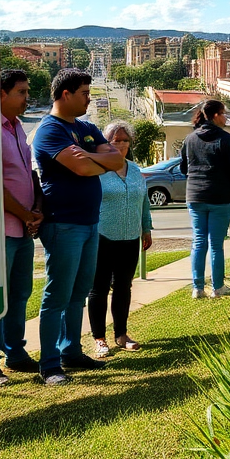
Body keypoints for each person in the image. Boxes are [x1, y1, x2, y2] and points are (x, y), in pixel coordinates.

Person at [32, 68, 125, 386]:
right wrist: (95, 158)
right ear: (65, 94)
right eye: (84, 93)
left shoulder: (86, 128)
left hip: (89, 222)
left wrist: (90, 155)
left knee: (78, 294)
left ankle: (70, 351)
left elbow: (119, 161)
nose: (89, 98)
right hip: (63, 223)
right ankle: (49, 364)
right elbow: (85, 168)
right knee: (57, 295)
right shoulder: (49, 130)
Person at [0, 69, 45, 387]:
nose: (26, 98)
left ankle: (16, 355)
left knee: (20, 294)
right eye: (21, 92)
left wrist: (36, 208)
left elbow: (27, 173)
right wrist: (24, 213)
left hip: (23, 228)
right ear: (1, 94)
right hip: (2, 229)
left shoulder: (18, 129)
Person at [89, 121, 153, 356]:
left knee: (124, 287)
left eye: (125, 140)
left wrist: (146, 228)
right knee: (99, 288)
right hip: (102, 237)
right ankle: (99, 338)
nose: (122, 144)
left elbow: (144, 200)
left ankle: (121, 334)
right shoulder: (97, 170)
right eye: (116, 140)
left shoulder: (135, 170)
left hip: (130, 237)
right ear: (106, 143)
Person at [181, 100, 230, 298]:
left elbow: (184, 168)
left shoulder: (190, 139)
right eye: (224, 113)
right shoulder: (225, 139)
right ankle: (218, 287)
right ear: (216, 115)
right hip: (219, 196)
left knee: (199, 242)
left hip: (195, 195)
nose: (225, 118)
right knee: (216, 244)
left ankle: (197, 288)